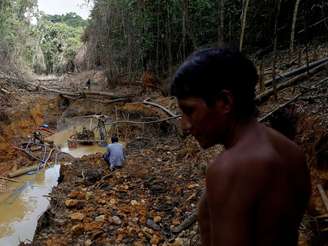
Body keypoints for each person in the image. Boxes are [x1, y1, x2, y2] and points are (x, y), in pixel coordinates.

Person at [171, 47, 311, 246]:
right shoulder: (291, 152)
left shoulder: (229, 169)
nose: (184, 125)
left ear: (225, 102)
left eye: (190, 111)